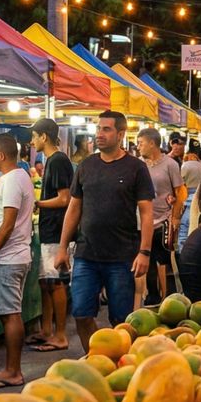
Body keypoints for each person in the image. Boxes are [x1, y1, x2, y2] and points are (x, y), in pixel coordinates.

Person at [57, 111, 155, 333]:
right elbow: (73, 209)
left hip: (122, 257)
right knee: (81, 314)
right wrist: (62, 247)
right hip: (86, 255)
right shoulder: (86, 166)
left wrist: (145, 252)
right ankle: (95, 358)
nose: (99, 134)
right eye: (98, 129)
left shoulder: (136, 168)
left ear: (120, 134)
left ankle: (118, 362)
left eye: (106, 129)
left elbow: (147, 213)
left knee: (121, 320)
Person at [0, 134, 36, 390]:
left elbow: (8, 222)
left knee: (10, 315)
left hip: (8, 258)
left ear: (1, 155)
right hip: (16, 255)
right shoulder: (21, 176)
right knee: (11, 313)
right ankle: (11, 368)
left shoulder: (12, 180)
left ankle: (13, 370)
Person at [28, 118, 74, 352]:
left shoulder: (57, 161)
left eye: (34, 136)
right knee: (46, 282)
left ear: (44, 137)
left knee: (55, 283)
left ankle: (60, 334)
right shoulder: (53, 160)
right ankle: (46, 330)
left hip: (57, 231)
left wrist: (38, 203)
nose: (32, 141)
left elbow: (64, 198)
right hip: (49, 230)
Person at [137, 128, 183, 301]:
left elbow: (180, 192)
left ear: (152, 143)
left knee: (165, 261)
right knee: (147, 259)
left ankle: (170, 297)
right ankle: (152, 297)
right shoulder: (139, 164)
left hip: (164, 220)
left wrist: (176, 217)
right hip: (142, 222)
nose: (139, 147)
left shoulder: (170, 164)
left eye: (141, 143)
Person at [180, 143, 201, 244]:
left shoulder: (185, 166)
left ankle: (181, 254)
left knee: (184, 229)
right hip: (200, 198)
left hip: (187, 197)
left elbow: (180, 184)